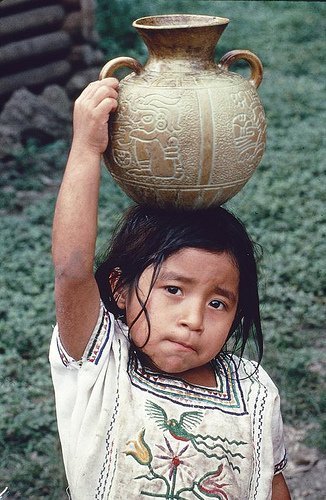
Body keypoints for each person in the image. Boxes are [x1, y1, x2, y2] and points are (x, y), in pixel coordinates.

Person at [50, 78, 291, 500]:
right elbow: (72, 270)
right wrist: (87, 149)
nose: (193, 320)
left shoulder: (253, 390)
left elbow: (271, 484)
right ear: (120, 289)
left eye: (218, 302)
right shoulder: (101, 362)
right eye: (174, 290)